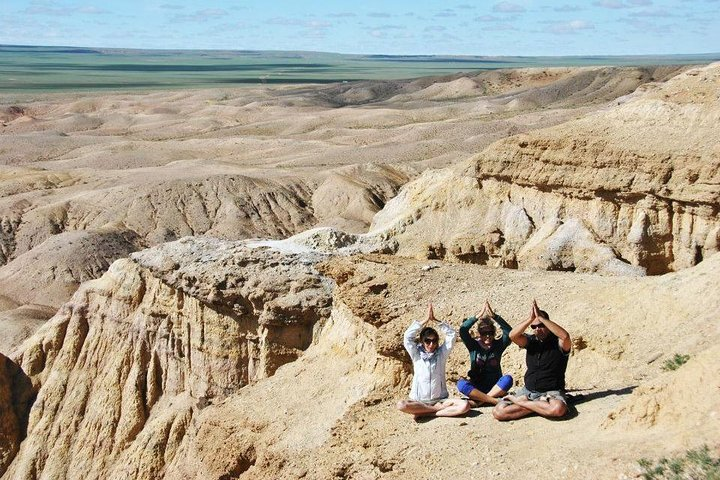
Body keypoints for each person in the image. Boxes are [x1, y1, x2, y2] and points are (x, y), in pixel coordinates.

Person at [493, 300, 571, 421]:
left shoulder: (558, 342)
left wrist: (541, 317)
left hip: (551, 392)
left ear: (548, 325)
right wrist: (531, 319)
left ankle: (523, 404)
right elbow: (513, 335)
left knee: (558, 409)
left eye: (541, 325)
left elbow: (565, 336)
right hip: (528, 391)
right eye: (534, 326)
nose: (538, 329)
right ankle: (539, 407)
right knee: (498, 412)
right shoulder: (531, 341)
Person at [397, 304, 470, 418]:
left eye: (434, 341)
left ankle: (430, 413)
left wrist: (437, 321)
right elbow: (407, 337)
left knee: (464, 405)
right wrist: (424, 321)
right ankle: (435, 411)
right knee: (401, 405)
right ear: (422, 341)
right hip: (419, 400)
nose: (431, 344)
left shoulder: (441, 354)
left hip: (440, 400)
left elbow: (451, 335)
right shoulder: (416, 354)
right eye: (427, 341)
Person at [456, 301, 513, 406]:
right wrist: (476, 317)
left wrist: (495, 317)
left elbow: (509, 332)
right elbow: (463, 330)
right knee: (461, 384)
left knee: (508, 379)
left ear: (494, 333)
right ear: (479, 334)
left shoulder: (498, 345)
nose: (487, 336)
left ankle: (481, 401)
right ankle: (492, 400)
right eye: (484, 333)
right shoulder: (474, 346)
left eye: (490, 333)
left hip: (495, 387)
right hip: (477, 387)